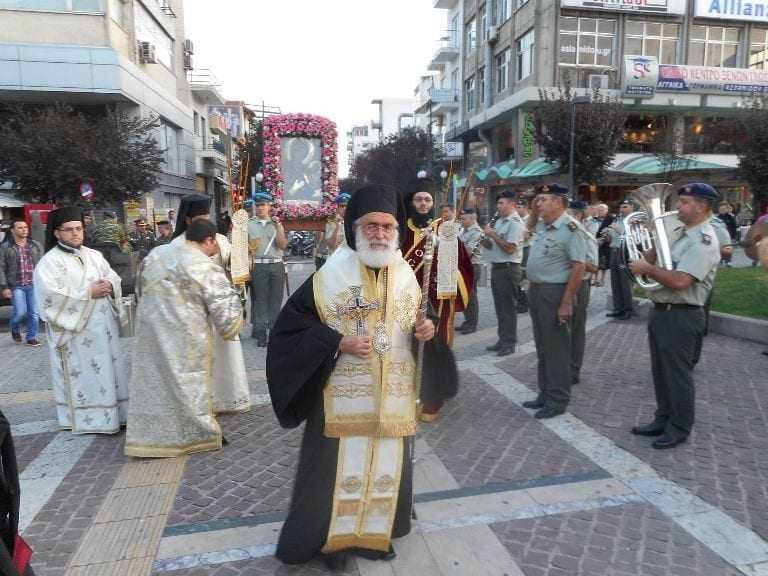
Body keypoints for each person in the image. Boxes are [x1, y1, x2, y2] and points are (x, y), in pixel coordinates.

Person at [267, 184, 453, 569]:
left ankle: (374, 534)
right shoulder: (329, 275)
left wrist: (427, 329)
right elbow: (290, 329)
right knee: (332, 475)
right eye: (372, 226)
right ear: (356, 228)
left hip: (393, 397)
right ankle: (330, 543)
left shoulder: (405, 273)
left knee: (387, 465)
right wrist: (337, 341)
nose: (380, 234)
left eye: (387, 226)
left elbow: (423, 315)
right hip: (340, 398)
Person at [125, 219, 243, 457]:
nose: (215, 251)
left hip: (152, 335)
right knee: (187, 384)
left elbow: (139, 288)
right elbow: (224, 308)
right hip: (186, 338)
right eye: (215, 245)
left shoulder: (156, 254)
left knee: (156, 384)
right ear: (209, 240)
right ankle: (193, 434)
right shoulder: (203, 265)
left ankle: (150, 438)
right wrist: (236, 311)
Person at [628, 183, 721, 449]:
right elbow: (652, 263)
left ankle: (679, 427)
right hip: (662, 311)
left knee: (678, 375)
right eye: (678, 202)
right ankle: (663, 418)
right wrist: (653, 248)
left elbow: (681, 281)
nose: (677, 207)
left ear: (702, 207)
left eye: (684, 203)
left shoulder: (703, 240)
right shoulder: (679, 233)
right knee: (661, 372)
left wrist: (648, 268)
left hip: (682, 314)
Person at [34, 207, 129, 433]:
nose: (75, 233)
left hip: (103, 330)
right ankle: (88, 419)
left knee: (108, 372)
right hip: (75, 334)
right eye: (69, 230)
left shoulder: (94, 255)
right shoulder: (49, 263)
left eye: (78, 229)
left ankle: (115, 414)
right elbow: (49, 297)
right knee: (85, 376)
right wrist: (88, 292)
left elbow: (112, 277)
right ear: (57, 233)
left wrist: (110, 285)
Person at [402, 175, 472, 421]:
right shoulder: (399, 231)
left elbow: (461, 265)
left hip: (436, 302)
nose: (423, 204)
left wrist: (447, 269)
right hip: (402, 300)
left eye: (427, 200)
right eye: (418, 199)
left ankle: (433, 396)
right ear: (411, 202)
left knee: (434, 346)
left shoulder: (445, 231)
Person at [172, 194, 251, 414]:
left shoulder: (219, 239)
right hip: (192, 312)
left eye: (207, 215)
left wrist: (240, 241)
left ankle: (226, 399)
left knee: (224, 356)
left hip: (218, 310)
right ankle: (199, 404)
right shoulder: (176, 245)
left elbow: (237, 266)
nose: (205, 220)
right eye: (200, 216)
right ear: (188, 220)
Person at [521, 184, 587, 419]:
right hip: (538, 291)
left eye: (543, 200)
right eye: (537, 200)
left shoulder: (571, 229)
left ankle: (558, 399)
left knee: (557, 349)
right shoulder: (543, 225)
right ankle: (545, 392)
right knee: (543, 346)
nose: (538, 204)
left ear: (559, 202)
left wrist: (567, 302)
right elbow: (529, 224)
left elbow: (579, 266)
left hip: (555, 292)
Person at [480, 190, 524, 356]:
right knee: (500, 307)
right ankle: (502, 339)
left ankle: (509, 343)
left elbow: (510, 248)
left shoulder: (515, 223)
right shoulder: (500, 221)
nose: (498, 206)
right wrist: (484, 238)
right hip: (498, 268)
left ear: (512, 204)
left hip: (508, 268)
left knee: (508, 308)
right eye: (498, 203)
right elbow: (493, 246)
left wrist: (493, 235)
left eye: (502, 203)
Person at [248, 191, 289, 346]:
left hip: (276, 264)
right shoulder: (249, 224)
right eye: (257, 205)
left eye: (262, 205)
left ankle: (274, 329)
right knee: (260, 300)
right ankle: (260, 332)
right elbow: (244, 248)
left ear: (269, 206)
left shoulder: (277, 224)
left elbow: (283, 245)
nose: (259, 208)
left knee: (276, 299)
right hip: (258, 265)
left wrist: (278, 226)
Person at [691, 212, 733, 364]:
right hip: (683, 273)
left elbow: (728, 251)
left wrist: (705, 246)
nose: (679, 206)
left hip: (701, 277)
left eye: (686, 202)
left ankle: (692, 357)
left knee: (697, 318)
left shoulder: (715, 224)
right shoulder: (687, 223)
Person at [567, 201, 599, 385]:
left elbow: (594, 267)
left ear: (578, 215)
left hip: (579, 285)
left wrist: (574, 259)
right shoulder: (564, 236)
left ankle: (573, 370)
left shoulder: (586, 236)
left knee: (576, 330)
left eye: (568, 214)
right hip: (562, 284)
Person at [0, 220, 43, 346]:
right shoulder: (5, 247)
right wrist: (4, 287)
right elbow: (1, 267)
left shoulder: (35, 245)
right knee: (19, 312)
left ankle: (31, 337)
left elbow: (42, 265)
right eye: (20, 227)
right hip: (16, 285)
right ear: (13, 230)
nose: (24, 230)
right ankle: (14, 328)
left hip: (33, 284)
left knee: (34, 313)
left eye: (25, 227)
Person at [605, 199, 635, 320]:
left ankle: (628, 310)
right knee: (615, 281)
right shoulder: (617, 219)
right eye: (621, 207)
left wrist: (618, 230)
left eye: (625, 207)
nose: (622, 209)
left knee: (625, 282)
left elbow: (633, 237)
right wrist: (607, 235)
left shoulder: (634, 221)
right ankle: (618, 308)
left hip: (625, 251)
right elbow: (612, 237)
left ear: (632, 207)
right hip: (614, 250)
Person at [457, 208, 483, 334]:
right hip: (462, 266)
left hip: (472, 266)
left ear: (472, 219)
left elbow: (468, 251)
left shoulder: (477, 232)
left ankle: (472, 323)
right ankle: (467, 321)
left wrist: (457, 244)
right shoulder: (462, 230)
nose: (461, 221)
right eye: (461, 218)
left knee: (471, 296)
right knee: (464, 295)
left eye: (464, 218)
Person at [315, 192, 350, 270]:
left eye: (347, 206)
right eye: (342, 206)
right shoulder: (331, 222)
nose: (345, 208)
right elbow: (332, 246)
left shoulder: (353, 222)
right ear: (337, 208)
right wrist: (337, 226)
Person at [594, 204, 612, 287]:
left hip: (606, 244)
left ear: (606, 210)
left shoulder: (610, 219)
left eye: (602, 210)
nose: (600, 211)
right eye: (599, 210)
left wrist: (604, 239)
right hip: (594, 243)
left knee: (604, 264)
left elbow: (611, 231)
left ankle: (602, 280)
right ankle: (595, 279)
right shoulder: (594, 219)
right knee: (595, 262)